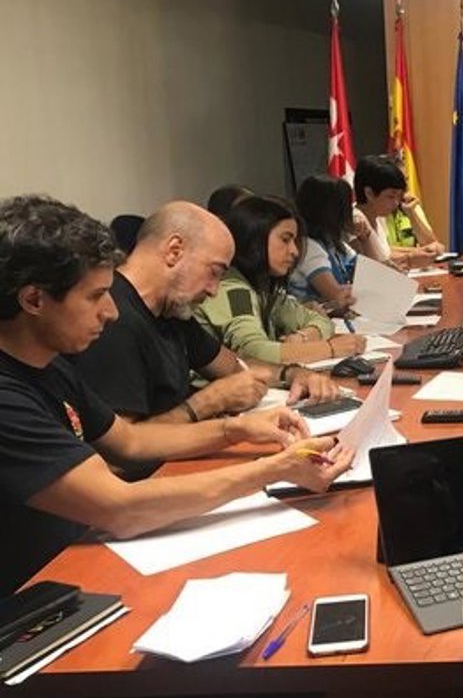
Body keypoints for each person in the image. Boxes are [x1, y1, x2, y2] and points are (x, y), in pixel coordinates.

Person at [0, 194, 353, 595]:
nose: (111, 312)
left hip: (71, 563)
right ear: (34, 300)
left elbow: (130, 441)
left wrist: (237, 430)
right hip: (31, 597)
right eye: (95, 296)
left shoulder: (48, 364)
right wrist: (276, 469)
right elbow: (120, 508)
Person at [69, 202, 340, 475]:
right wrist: (210, 402)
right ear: (174, 251)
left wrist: (293, 374)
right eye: (214, 272)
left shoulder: (171, 309)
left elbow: (234, 367)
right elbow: (119, 453)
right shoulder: (113, 323)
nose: (213, 290)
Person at [196, 195, 365, 364]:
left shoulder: (264, 287)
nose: (294, 251)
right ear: (255, 238)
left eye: (294, 241)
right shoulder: (233, 289)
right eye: (285, 240)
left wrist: (302, 338)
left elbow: (321, 320)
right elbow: (253, 352)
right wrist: (330, 349)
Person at [351, 154, 442, 266]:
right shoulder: (356, 222)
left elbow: (385, 254)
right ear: (369, 193)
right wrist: (408, 259)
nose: (396, 203)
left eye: (398, 196)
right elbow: (368, 268)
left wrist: (416, 254)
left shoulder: (376, 217)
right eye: (391, 196)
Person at [289, 175, 357, 313]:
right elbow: (336, 295)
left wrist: (366, 237)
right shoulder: (308, 247)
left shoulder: (333, 242)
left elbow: (365, 271)